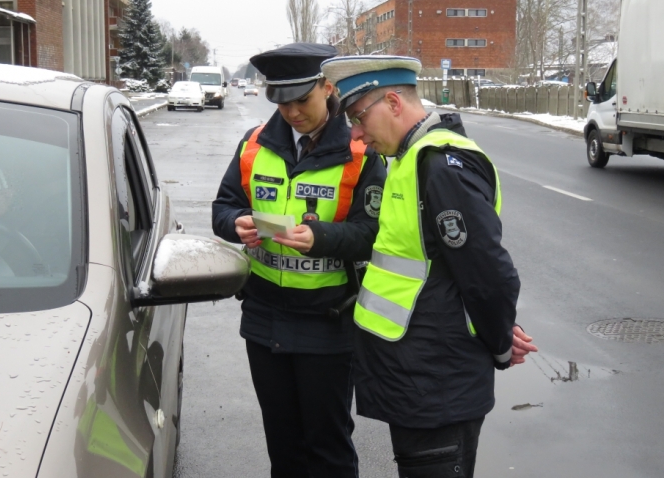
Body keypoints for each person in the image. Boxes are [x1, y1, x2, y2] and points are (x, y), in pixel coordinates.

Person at [321, 55, 538, 478]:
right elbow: (437, 271)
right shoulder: (406, 160)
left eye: (359, 118)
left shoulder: (439, 165)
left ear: (394, 103)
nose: (357, 135)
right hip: (419, 377)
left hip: (438, 382)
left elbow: (489, 274)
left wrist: (497, 340)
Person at [211, 43, 387, 478]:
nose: (291, 112)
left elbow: (375, 234)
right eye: (280, 101)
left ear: (327, 88)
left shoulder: (362, 153)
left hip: (328, 323)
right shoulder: (253, 146)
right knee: (283, 444)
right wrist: (237, 222)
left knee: (327, 447)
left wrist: (322, 237)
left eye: (301, 100)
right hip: (264, 318)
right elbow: (222, 207)